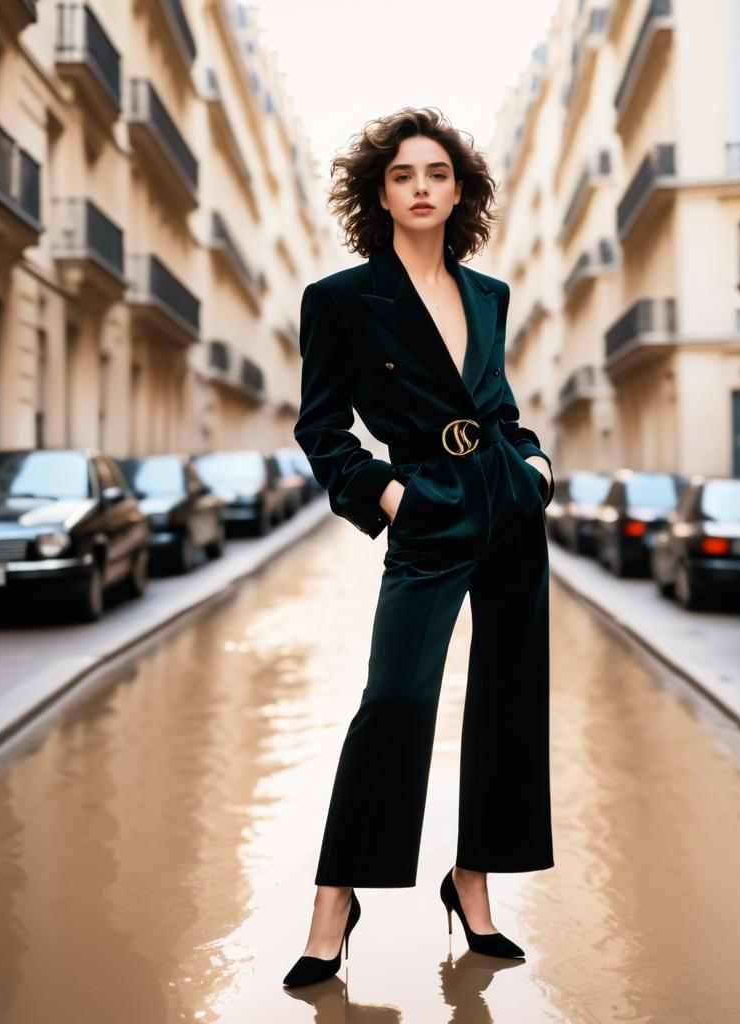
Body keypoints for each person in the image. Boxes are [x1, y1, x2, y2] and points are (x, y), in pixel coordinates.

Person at [283, 107, 555, 989]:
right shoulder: (340, 301)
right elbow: (321, 426)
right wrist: (389, 493)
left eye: (437, 173)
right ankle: (335, 902)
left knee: (510, 700)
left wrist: (535, 464)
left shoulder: (490, 295)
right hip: (426, 507)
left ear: (460, 189)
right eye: (403, 175)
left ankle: (472, 883)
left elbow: (497, 405)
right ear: (380, 193)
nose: (422, 188)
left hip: (507, 503)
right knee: (396, 699)